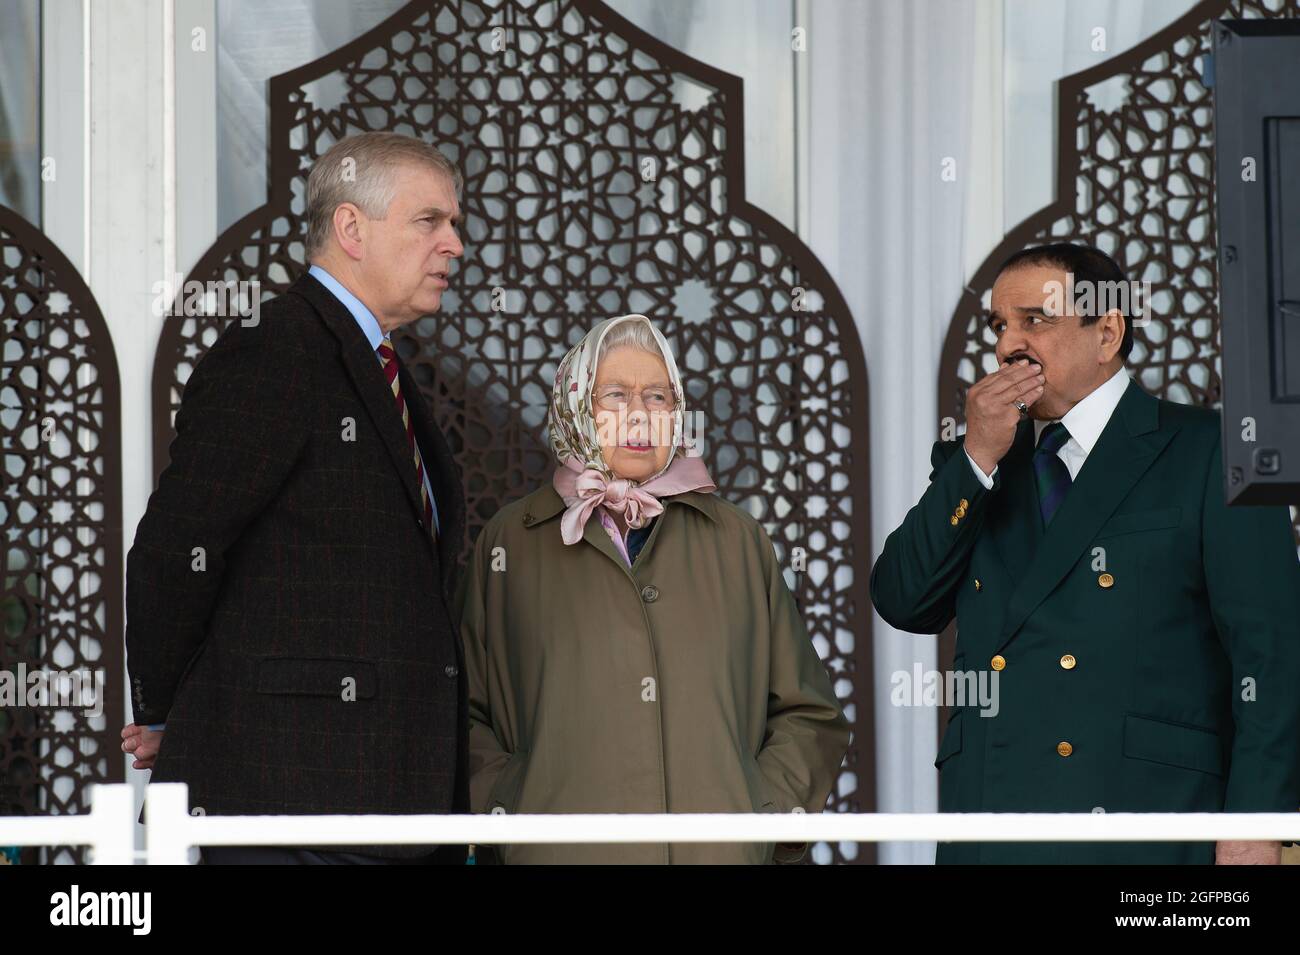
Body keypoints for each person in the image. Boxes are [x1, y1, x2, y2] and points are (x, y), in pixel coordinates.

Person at [871, 242, 1300, 864]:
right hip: (994, 823)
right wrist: (975, 458)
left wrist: (1257, 824)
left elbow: (1273, 654)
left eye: (1033, 321)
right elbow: (903, 600)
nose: (1006, 346)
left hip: (1149, 823)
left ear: (1107, 331)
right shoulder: (980, 463)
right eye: (999, 326)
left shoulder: (1210, 452)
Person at [122, 131, 468, 864]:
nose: (454, 245)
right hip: (290, 798)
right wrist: (165, 706)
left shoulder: (391, 369)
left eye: (454, 223)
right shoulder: (276, 346)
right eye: (429, 220)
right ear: (351, 228)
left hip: (387, 800)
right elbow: (177, 546)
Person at [459, 314, 850, 864]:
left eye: (658, 397)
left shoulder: (736, 540)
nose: (639, 414)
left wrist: (757, 818)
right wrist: (512, 810)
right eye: (614, 395)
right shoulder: (511, 543)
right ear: (575, 408)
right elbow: (464, 714)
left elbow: (809, 713)